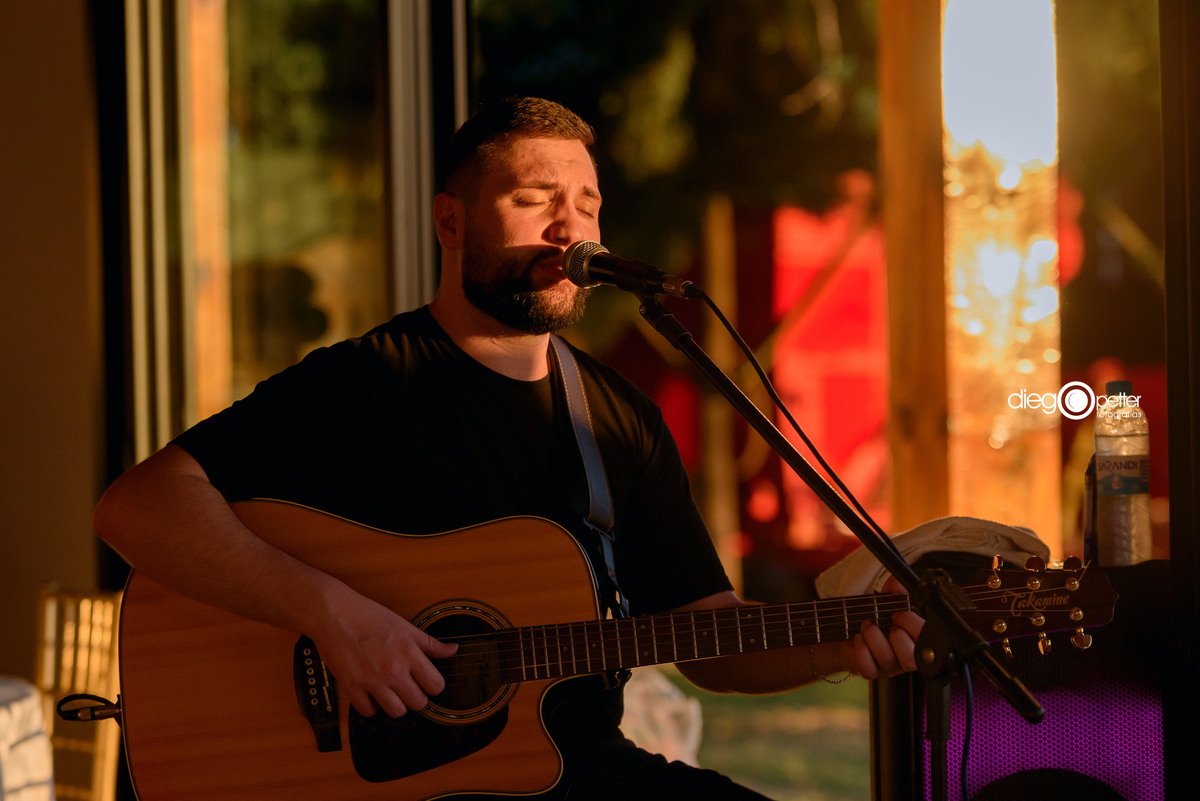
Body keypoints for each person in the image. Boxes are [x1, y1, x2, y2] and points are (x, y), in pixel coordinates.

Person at [94, 97, 923, 800]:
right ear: (451, 221)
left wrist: (834, 646)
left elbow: (706, 633)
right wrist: (335, 617)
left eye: (590, 204)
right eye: (537, 199)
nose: (573, 229)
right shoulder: (369, 384)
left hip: (574, 774)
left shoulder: (617, 419)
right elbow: (136, 507)